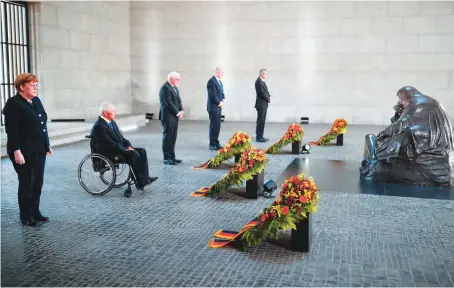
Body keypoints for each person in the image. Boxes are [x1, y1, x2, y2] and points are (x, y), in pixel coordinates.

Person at [360, 86, 454, 186]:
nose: (400, 103)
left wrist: (381, 135)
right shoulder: (431, 101)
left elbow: (401, 123)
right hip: (442, 145)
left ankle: (375, 162)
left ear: (404, 98)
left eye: (400, 100)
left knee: (380, 142)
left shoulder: (415, 102)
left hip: (425, 143)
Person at [2, 73, 52, 226]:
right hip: (23, 152)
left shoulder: (36, 101)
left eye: (36, 84)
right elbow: (12, 130)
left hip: (38, 149)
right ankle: (26, 216)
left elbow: (42, 124)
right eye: (32, 85)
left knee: (37, 183)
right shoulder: (13, 103)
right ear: (21, 87)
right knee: (26, 184)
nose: (35, 87)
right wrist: (16, 151)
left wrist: (47, 144)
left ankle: (35, 212)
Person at [90, 102, 158, 189]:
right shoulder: (99, 126)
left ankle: (145, 178)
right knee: (134, 154)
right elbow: (109, 144)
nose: (115, 113)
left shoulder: (112, 123)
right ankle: (140, 182)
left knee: (142, 151)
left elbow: (121, 138)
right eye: (113, 111)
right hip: (109, 153)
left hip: (117, 148)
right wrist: (125, 150)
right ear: (106, 112)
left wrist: (128, 146)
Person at [159, 71, 184, 165]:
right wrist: (177, 113)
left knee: (173, 137)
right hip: (168, 117)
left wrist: (181, 110)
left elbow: (179, 100)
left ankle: (172, 156)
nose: (179, 81)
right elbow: (169, 103)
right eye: (177, 79)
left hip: (174, 116)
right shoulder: (165, 88)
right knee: (168, 137)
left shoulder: (174, 88)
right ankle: (166, 158)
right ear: (170, 79)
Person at [207, 67, 225, 150]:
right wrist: (219, 103)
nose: (222, 74)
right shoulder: (211, 81)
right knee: (213, 126)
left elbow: (221, 93)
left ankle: (216, 142)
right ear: (217, 73)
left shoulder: (219, 82)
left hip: (218, 107)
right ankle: (212, 144)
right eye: (221, 73)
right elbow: (213, 95)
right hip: (213, 107)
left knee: (217, 126)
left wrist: (223, 100)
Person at [255, 68, 270, 142]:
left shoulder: (262, 81)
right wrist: (268, 98)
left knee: (262, 120)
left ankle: (261, 135)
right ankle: (259, 137)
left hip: (264, 103)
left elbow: (266, 92)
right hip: (261, 104)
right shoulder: (258, 81)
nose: (266, 75)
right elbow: (261, 93)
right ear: (261, 74)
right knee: (260, 120)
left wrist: (268, 96)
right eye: (265, 74)